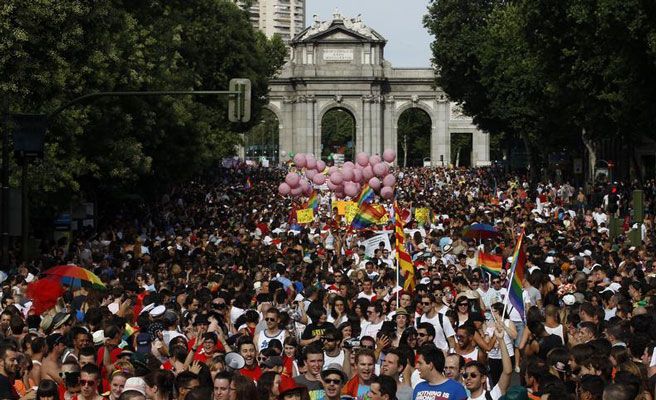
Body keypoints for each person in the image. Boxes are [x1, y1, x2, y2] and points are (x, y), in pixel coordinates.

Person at [464, 321, 512, 400]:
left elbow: (507, 371)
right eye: (465, 376)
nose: (468, 378)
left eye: (473, 375)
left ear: (483, 378)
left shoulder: (493, 395)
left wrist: (500, 339)